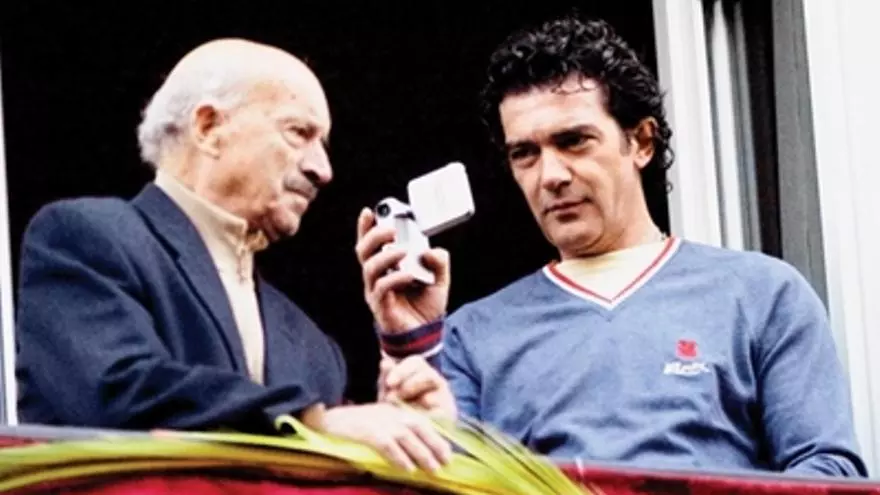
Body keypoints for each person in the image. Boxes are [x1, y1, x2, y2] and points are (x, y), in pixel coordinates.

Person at [358, 15, 868, 476]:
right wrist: (412, 343)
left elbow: (828, 474)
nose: (550, 175)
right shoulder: (470, 335)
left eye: (573, 141)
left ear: (641, 141)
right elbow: (441, 482)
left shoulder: (761, 294)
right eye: (525, 153)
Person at [15, 38, 453, 473]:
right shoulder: (85, 238)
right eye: (299, 133)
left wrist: (404, 431)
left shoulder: (314, 348)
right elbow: (118, 391)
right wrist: (311, 423)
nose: (322, 169)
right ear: (208, 127)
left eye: (323, 144)